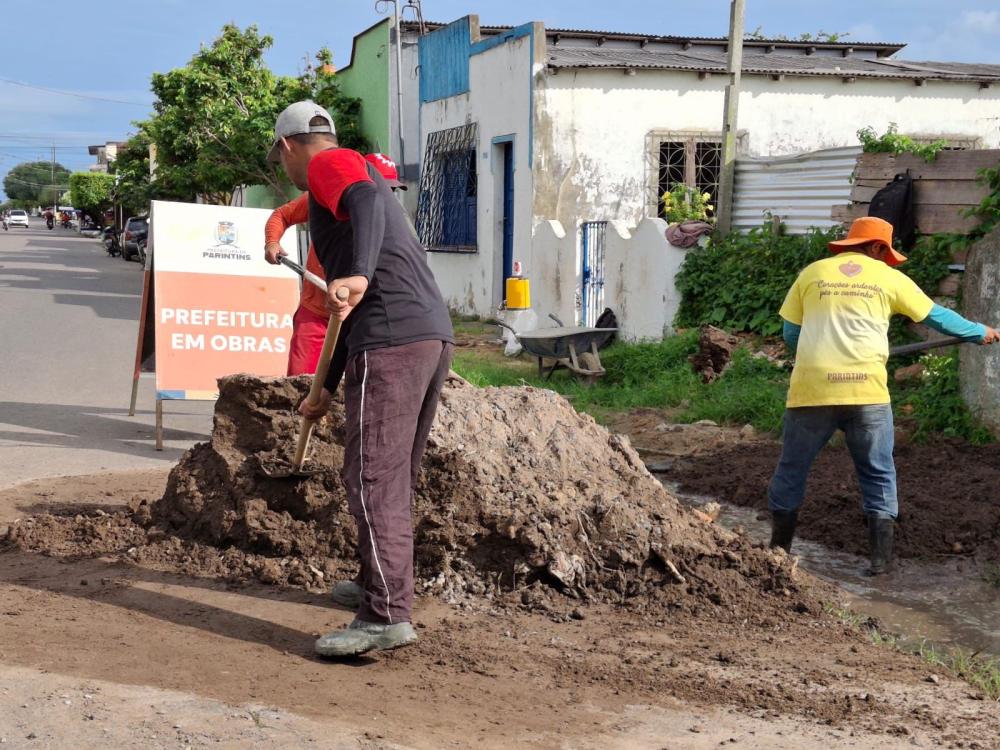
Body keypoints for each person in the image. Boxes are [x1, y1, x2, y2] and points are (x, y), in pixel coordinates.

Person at [268, 101, 454, 656]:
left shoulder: (331, 165)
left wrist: (357, 273)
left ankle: (384, 616)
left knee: (372, 477)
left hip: (393, 338)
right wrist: (322, 390)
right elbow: (346, 312)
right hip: (427, 332)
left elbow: (367, 212)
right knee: (393, 476)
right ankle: (381, 585)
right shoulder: (357, 171)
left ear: (286, 148)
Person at [769, 216, 999, 574]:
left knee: (792, 469)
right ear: (876, 247)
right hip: (866, 391)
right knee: (878, 473)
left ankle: (776, 555)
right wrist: (977, 331)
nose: (887, 261)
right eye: (886, 253)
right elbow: (937, 316)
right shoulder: (890, 279)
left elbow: (791, 334)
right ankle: (881, 565)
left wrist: (820, 353)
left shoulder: (811, 274)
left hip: (812, 390)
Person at [264, 154, 409, 376]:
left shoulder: (394, 225)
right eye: (381, 188)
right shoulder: (327, 197)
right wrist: (272, 242)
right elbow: (282, 215)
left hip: (359, 318)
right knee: (299, 386)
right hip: (316, 315)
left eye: (390, 190)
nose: (383, 196)